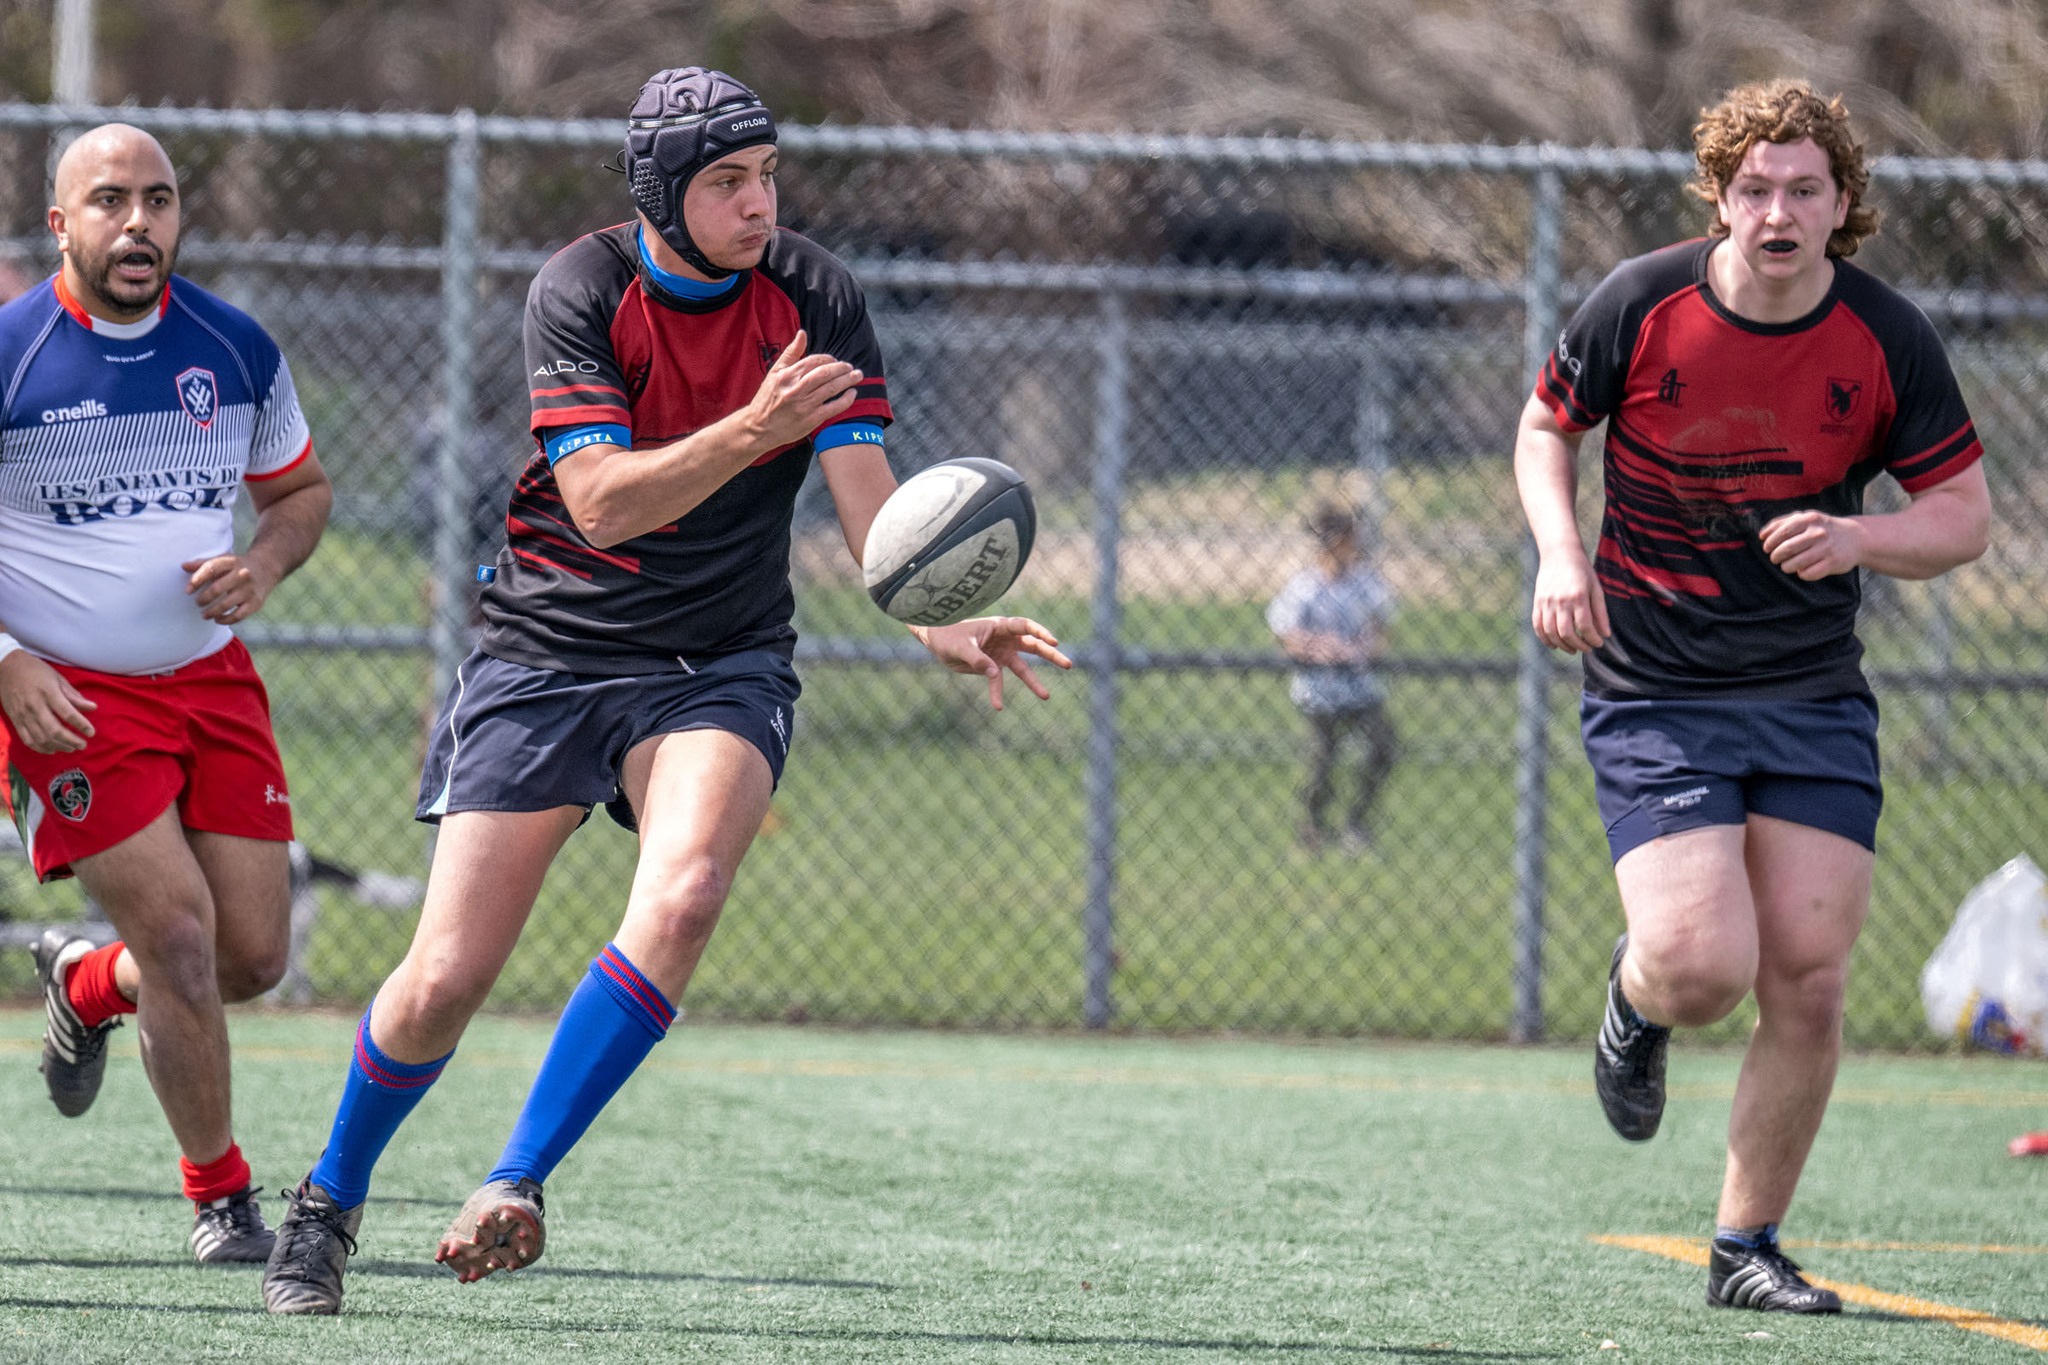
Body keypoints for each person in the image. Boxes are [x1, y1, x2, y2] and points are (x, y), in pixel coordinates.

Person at [261, 66, 1069, 1316]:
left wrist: (935, 623)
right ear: (659, 194)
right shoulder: (581, 289)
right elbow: (604, 503)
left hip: (719, 658)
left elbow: (872, 504)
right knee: (444, 976)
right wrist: (752, 430)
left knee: (687, 891)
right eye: (727, 183)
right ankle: (327, 1200)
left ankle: (513, 1182)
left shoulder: (813, 293)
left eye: (769, 177)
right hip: (549, 651)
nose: (760, 206)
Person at [1516, 79, 1990, 1314]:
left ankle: (1745, 1249)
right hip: (1655, 682)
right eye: (1752, 189)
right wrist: (1561, 557)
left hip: (1807, 689)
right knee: (1698, 967)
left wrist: (1857, 540)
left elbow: (1961, 519)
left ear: (1842, 205)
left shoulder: (1884, 339)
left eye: (1803, 190)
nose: (1775, 211)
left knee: (1810, 976)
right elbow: (1541, 427)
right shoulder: (1640, 302)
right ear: (1717, 198)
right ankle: (1637, 999)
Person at [0, 124, 333, 1261]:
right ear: (62, 224)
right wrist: (6, 660)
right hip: (70, 703)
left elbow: (300, 491)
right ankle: (221, 1195)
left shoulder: (232, 347)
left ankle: (89, 984)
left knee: (252, 956)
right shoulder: (12, 354)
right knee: (186, 945)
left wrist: (266, 562)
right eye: (109, 201)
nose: (139, 223)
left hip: (212, 684)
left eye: (159, 199)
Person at [1265, 504, 1398, 851]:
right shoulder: (1304, 586)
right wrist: (1319, 646)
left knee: (1383, 748)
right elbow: (1284, 633)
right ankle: (1312, 827)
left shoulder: (1366, 582)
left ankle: (1356, 824)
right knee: (1323, 760)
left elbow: (1381, 630)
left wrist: (1362, 648)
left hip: (1360, 687)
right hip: (1319, 690)